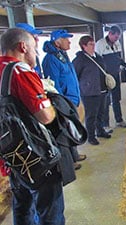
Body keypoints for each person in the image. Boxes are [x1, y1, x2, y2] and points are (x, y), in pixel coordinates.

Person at [0, 27, 74, 225]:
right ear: (23, 47)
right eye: (34, 48)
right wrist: (51, 101)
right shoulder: (21, 72)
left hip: (10, 154)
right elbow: (46, 116)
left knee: (22, 207)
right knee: (50, 210)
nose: (36, 53)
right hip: (36, 157)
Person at [42, 29, 86, 169]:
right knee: (65, 130)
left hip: (72, 98)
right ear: (57, 41)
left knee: (73, 128)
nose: (69, 41)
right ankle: (69, 162)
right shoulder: (50, 59)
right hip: (65, 100)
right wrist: (61, 102)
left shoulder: (62, 55)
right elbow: (53, 83)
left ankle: (74, 154)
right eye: (66, 38)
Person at [72, 35, 111, 145]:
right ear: (83, 46)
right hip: (89, 92)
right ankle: (91, 136)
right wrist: (85, 86)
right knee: (91, 115)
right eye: (91, 44)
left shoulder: (98, 57)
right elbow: (75, 75)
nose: (93, 46)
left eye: (94, 44)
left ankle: (100, 131)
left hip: (102, 89)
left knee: (101, 113)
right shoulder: (79, 60)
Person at [95, 25, 126, 130]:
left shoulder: (117, 43)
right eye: (115, 37)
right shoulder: (100, 44)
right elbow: (97, 61)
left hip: (115, 75)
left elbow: (119, 57)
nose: (116, 40)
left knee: (116, 98)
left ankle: (119, 120)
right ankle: (105, 124)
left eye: (118, 38)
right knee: (106, 100)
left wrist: (121, 66)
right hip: (105, 77)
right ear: (110, 33)